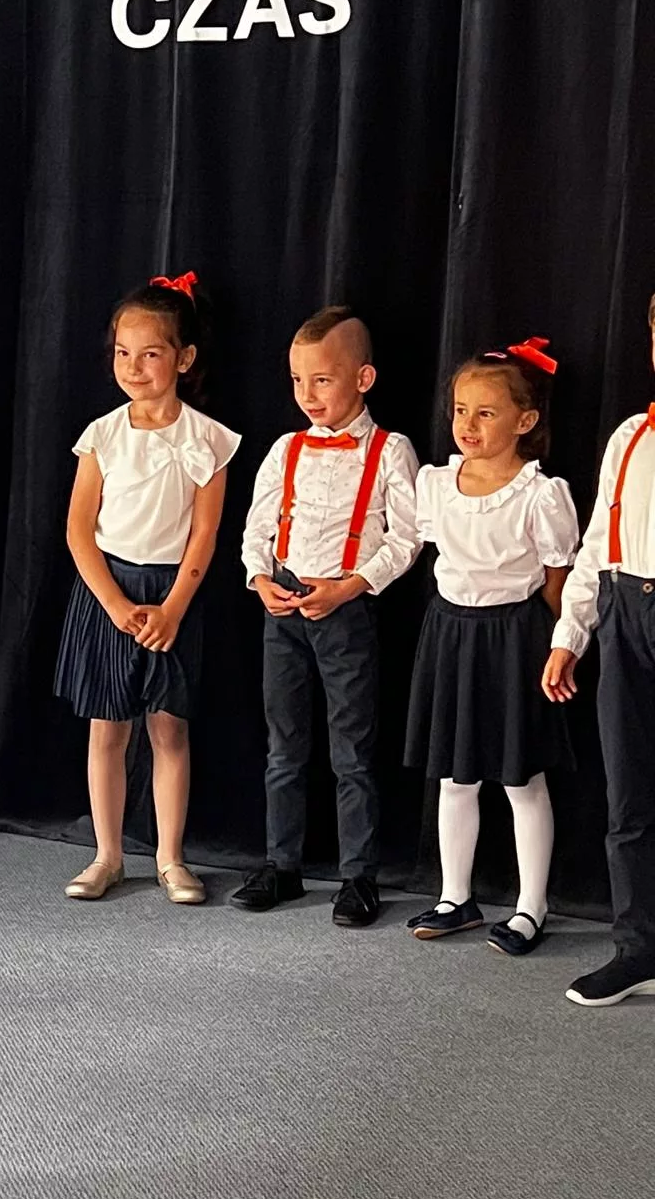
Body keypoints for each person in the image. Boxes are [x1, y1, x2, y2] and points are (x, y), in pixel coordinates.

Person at [55, 272, 240, 904]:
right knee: (107, 730)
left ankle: (170, 858)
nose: (133, 367)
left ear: (184, 359)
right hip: (109, 593)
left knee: (169, 730)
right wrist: (115, 605)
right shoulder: (102, 434)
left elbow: (206, 534)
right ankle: (107, 855)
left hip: (172, 598)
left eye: (151, 353)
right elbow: (79, 530)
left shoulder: (208, 439)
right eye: (122, 353)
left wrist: (172, 609)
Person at [233, 307, 421, 927]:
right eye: (297, 380)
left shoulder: (390, 450)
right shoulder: (285, 448)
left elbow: (407, 538)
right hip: (283, 607)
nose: (307, 394)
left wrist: (350, 587)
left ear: (363, 379)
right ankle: (281, 865)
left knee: (352, 749)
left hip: (345, 610)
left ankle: (358, 876)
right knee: (284, 744)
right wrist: (260, 579)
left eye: (322, 379)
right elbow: (257, 527)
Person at [403, 339, 577, 954]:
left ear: (524, 421)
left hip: (515, 639)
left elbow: (558, 575)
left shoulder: (539, 493)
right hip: (451, 633)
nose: (468, 425)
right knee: (456, 775)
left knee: (521, 779)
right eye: (460, 410)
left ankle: (532, 907)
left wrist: (550, 640)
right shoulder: (435, 483)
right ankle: (456, 896)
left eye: (485, 412)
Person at [544, 292, 655, 1007]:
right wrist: (570, 635)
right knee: (630, 795)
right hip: (623, 611)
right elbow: (594, 545)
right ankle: (638, 947)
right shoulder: (629, 437)